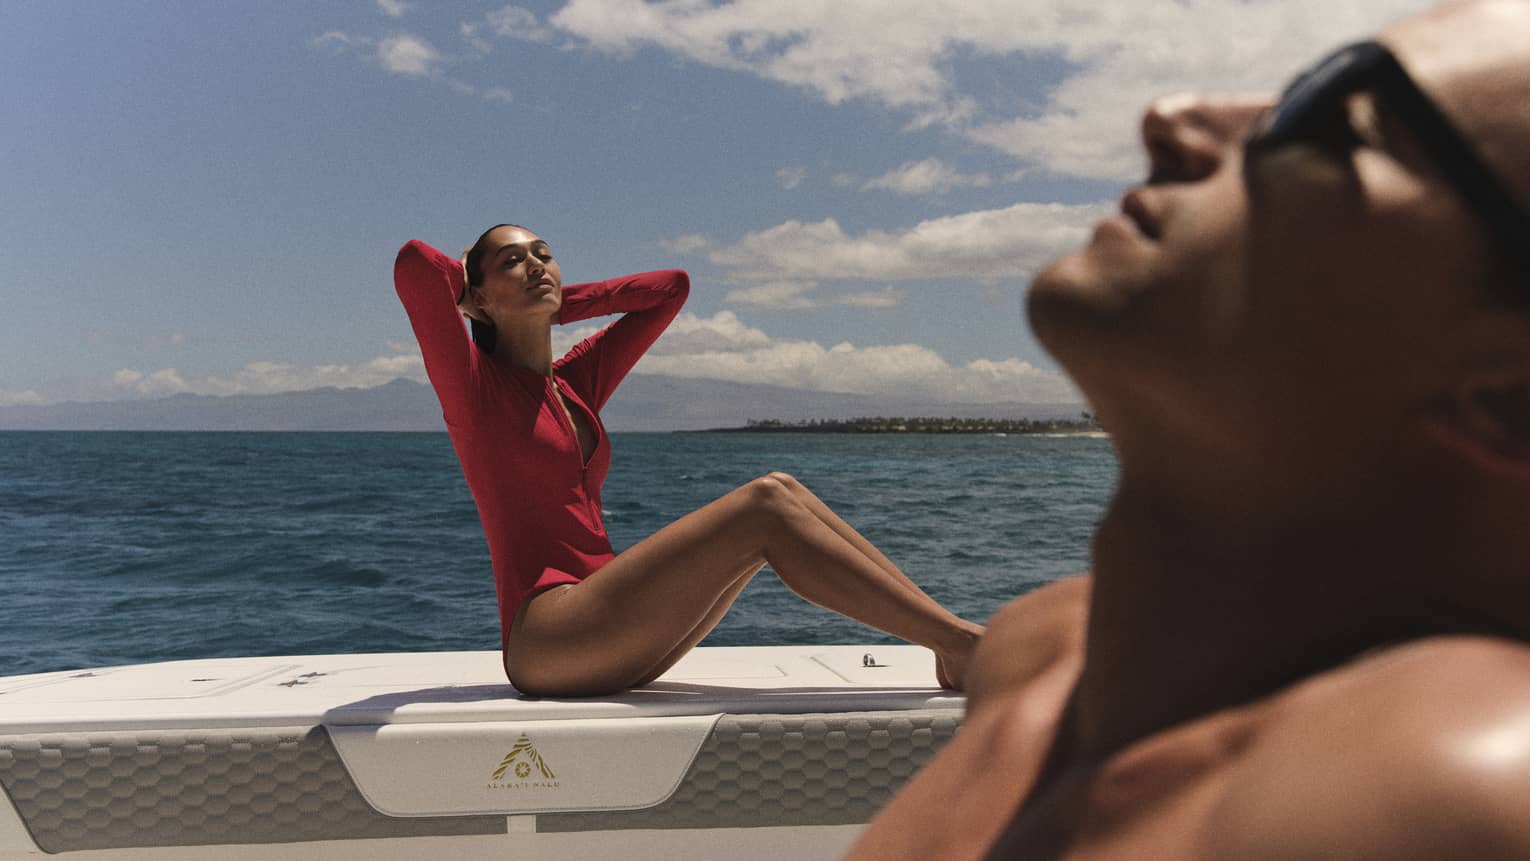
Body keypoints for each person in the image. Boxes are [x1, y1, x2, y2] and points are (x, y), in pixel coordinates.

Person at [847, 0, 1530, 857]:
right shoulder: (1042, 654)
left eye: (1334, 117)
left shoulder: (1462, 794)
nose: (1171, 118)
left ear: (1509, 403)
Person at [393, 225, 982, 697]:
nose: (536, 265)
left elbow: (670, 288)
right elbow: (416, 263)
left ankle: (946, 640)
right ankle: (963, 644)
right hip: (548, 638)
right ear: (475, 297)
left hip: (607, 623)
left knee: (785, 489)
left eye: (543, 254)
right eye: (511, 262)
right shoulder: (475, 391)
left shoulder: (572, 386)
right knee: (765, 504)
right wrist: (483, 301)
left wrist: (552, 306)